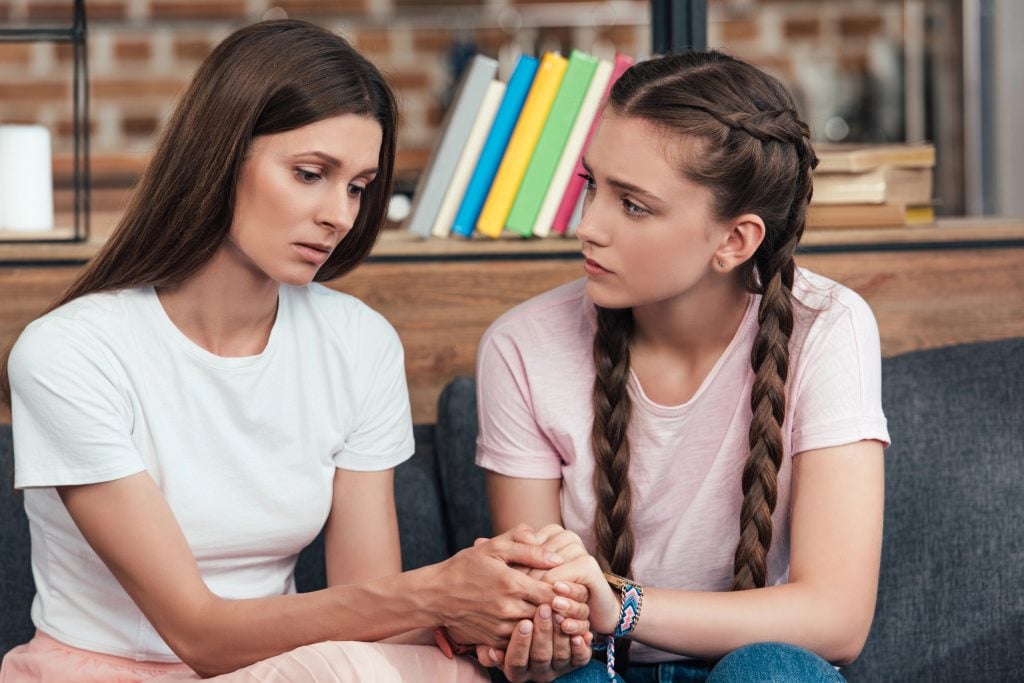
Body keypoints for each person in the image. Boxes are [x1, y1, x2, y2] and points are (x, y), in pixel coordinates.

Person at [0, 20, 593, 683]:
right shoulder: (69, 353)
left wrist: (501, 617)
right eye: (311, 173)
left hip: (295, 668)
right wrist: (438, 590)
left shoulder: (357, 342)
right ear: (219, 156)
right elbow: (198, 633)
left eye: (358, 186)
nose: (339, 214)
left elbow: (376, 610)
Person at [474, 50, 889, 683]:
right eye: (593, 185)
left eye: (634, 205)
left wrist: (624, 607)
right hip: (597, 667)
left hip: (752, 666)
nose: (588, 227)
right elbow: (545, 606)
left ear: (734, 240)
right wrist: (540, 626)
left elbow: (838, 619)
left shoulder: (828, 326)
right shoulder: (520, 347)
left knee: (772, 672)